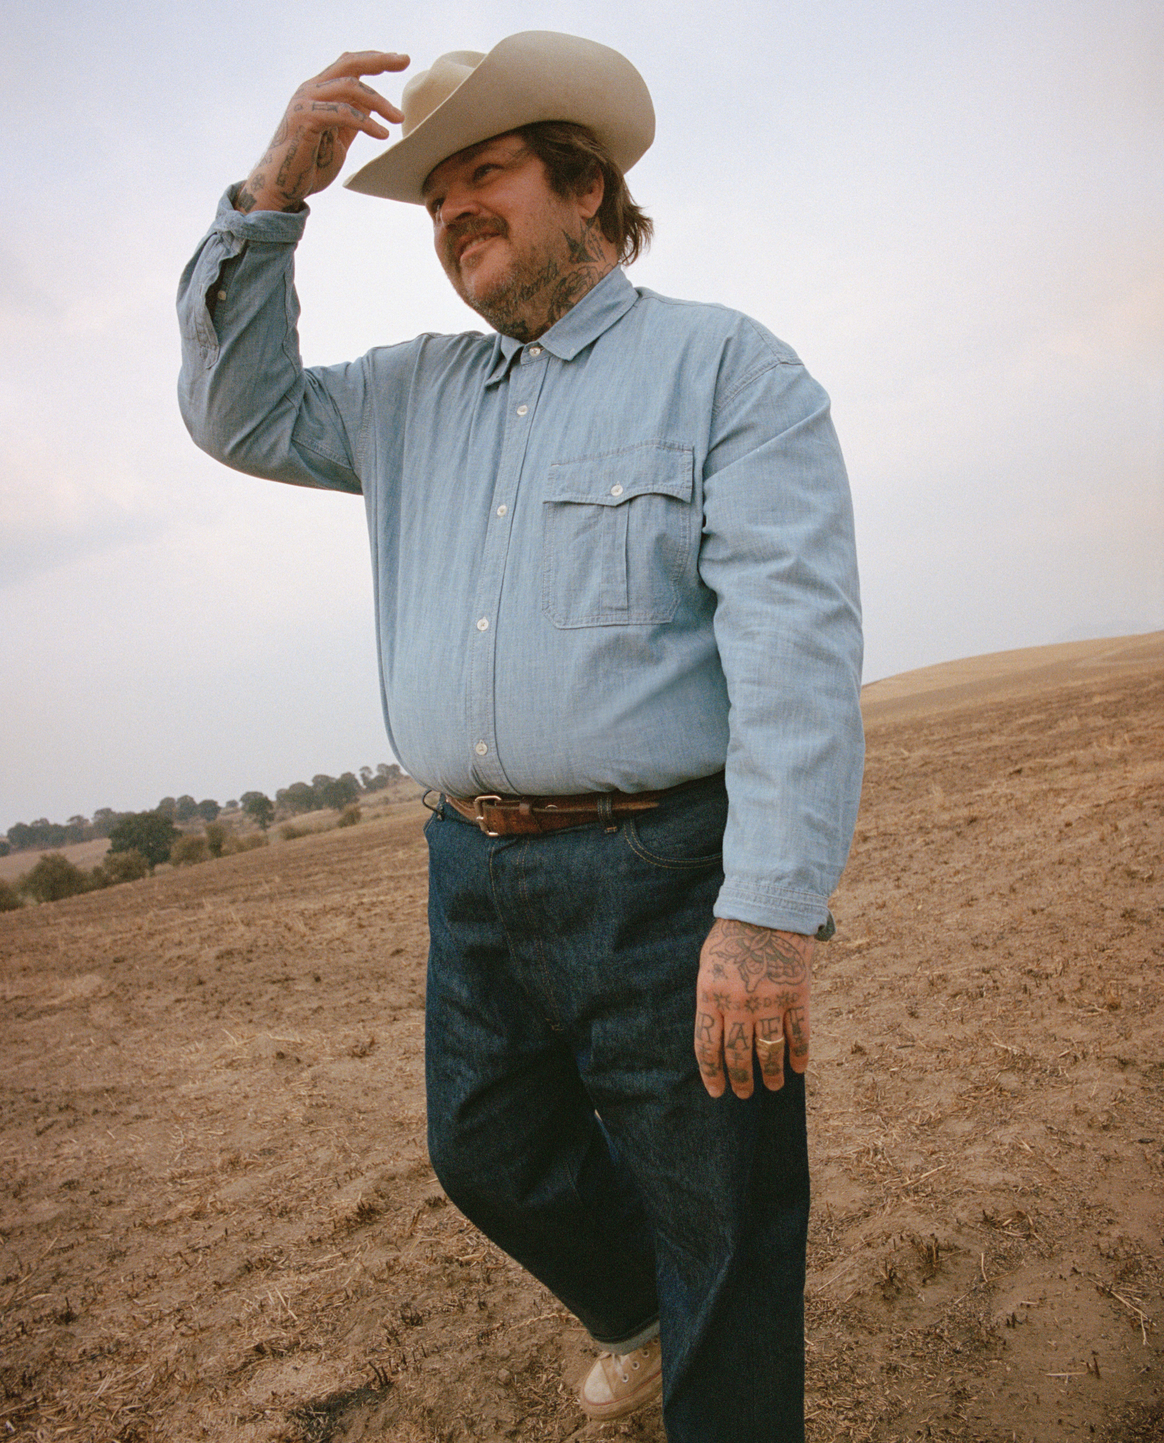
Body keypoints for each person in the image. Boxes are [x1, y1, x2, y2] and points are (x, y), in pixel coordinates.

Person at [177, 32, 863, 1442]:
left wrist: (770, 915)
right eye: (433, 201)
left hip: (666, 878)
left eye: (483, 173)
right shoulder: (408, 394)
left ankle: (697, 1336)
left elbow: (795, 650)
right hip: (473, 873)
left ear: (588, 188)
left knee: (723, 1221)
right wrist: (270, 198)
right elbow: (234, 410)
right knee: (482, 1148)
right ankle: (636, 1300)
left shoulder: (728, 369)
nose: (450, 214)